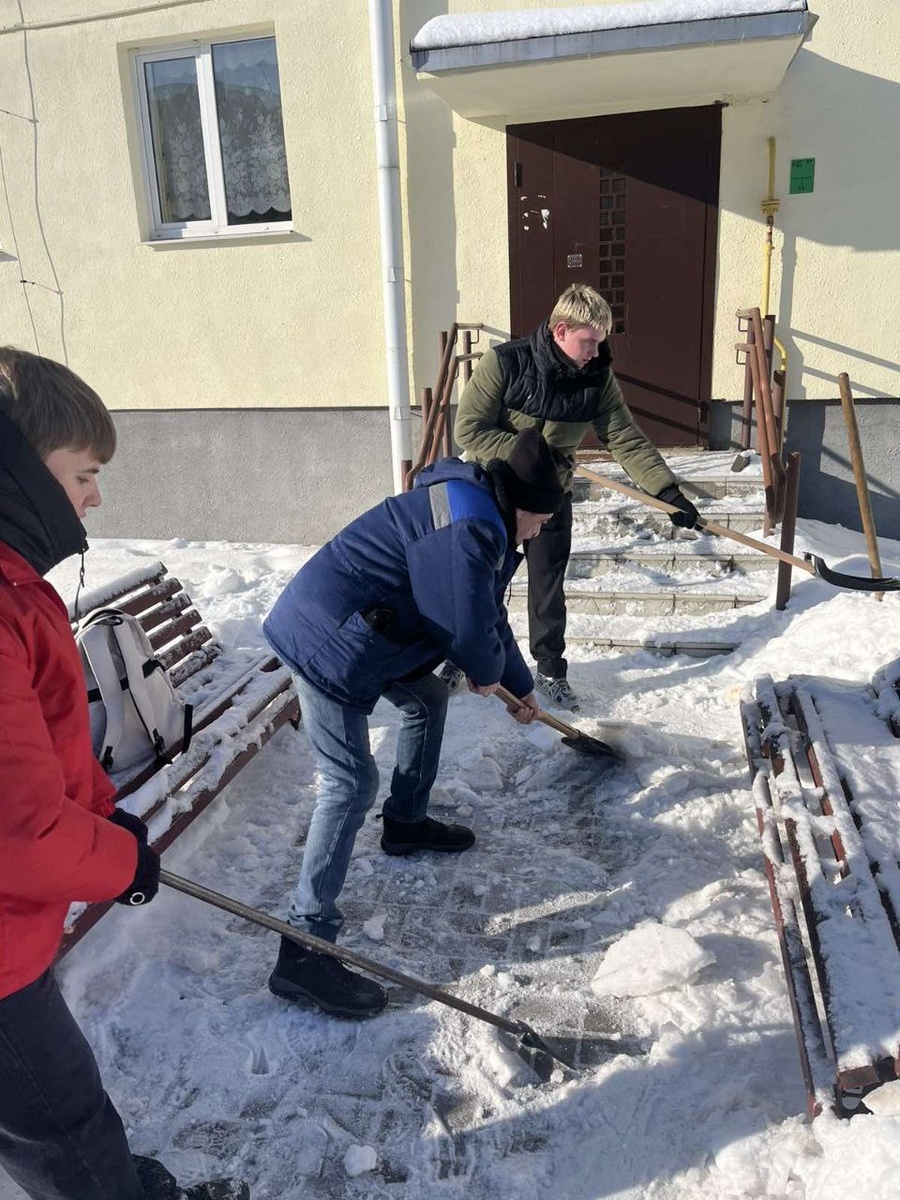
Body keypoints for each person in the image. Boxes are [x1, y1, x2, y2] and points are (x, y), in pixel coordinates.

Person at [0, 347, 247, 1200]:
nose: (95, 498)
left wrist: (106, 823)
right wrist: (119, 862)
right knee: (64, 1122)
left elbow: (43, 753)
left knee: (53, 1113)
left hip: (13, 925)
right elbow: (21, 831)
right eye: (83, 475)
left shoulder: (15, 586)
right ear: (18, 469)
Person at [262, 428, 565, 1019]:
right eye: (542, 522)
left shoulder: (481, 511)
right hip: (329, 640)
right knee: (350, 784)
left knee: (426, 698)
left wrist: (518, 685)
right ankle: (303, 946)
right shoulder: (471, 526)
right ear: (525, 506)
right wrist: (485, 671)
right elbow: (464, 628)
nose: (539, 533)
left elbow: (485, 612)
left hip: (371, 629)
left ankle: (404, 823)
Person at [454, 283, 700, 712]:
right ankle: (460, 656)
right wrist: (530, 455)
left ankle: (550, 671)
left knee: (548, 588)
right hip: (493, 493)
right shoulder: (505, 363)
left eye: (600, 342)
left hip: (550, 498)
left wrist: (666, 490)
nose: (594, 351)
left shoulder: (597, 378)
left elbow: (623, 437)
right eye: (589, 341)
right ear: (561, 330)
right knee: (479, 580)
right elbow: (469, 430)